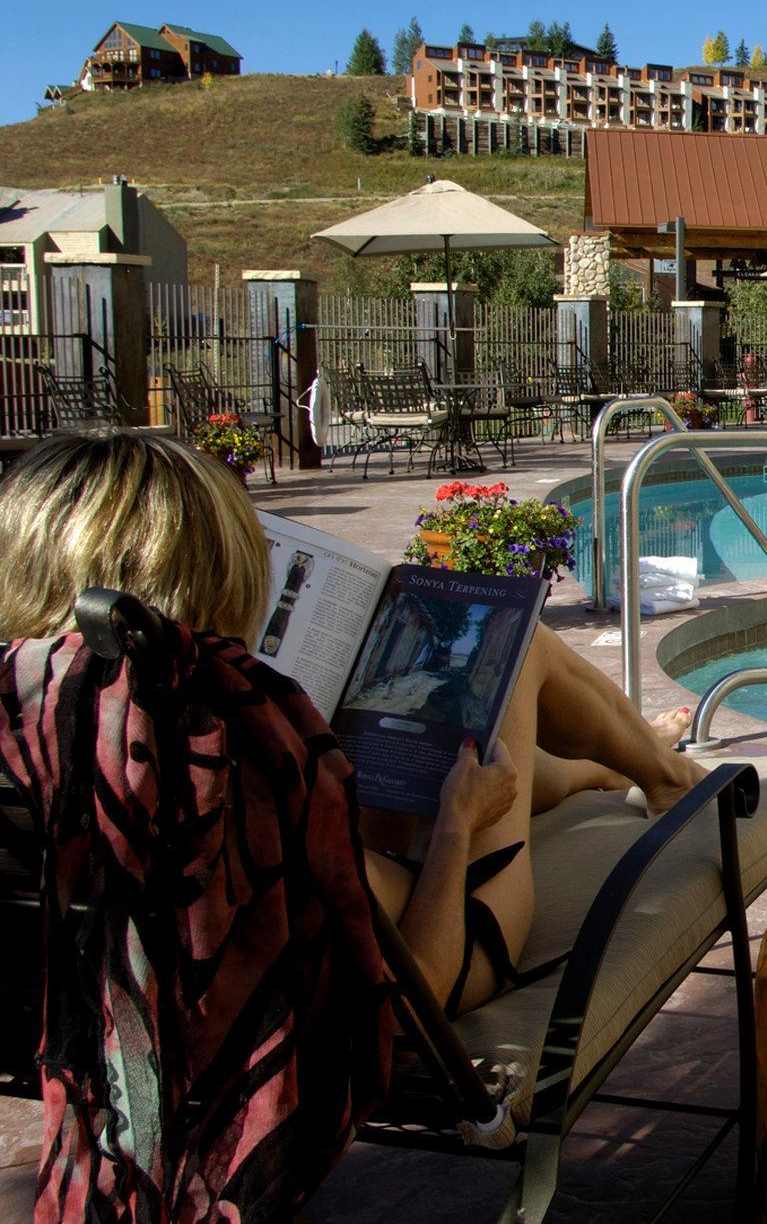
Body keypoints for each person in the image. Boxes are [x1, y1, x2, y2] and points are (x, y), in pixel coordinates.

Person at [0, 428, 706, 1019]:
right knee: (514, 651)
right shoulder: (222, 762)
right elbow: (420, 987)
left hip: (83, 997)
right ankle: (662, 772)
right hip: (443, 959)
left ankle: (604, 768)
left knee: (437, 741)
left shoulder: (45, 721)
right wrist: (457, 832)